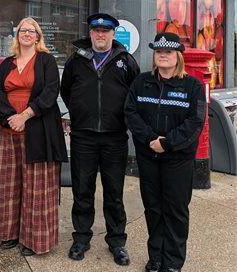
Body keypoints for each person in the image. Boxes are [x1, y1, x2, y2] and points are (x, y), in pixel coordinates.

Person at [60, 13, 140, 265]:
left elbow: (134, 94)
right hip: (83, 137)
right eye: (96, 31)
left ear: (113, 34)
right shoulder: (77, 60)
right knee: (82, 190)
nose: (101, 35)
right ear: (91, 34)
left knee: (114, 193)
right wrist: (81, 114)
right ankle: (81, 239)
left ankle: (117, 242)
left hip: (115, 138)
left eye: (106, 31)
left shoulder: (125, 61)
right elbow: (66, 90)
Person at [0, 17, 67, 256]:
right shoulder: (7, 63)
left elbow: (51, 91)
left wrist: (26, 115)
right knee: (9, 184)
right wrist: (12, 117)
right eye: (23, 30)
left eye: (32, 31)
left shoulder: (47, 61)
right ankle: (9, 234)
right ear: (17, 35)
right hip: (7, 130)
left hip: (38, 131)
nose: (27, 34)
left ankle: (33, 240)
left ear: (38, 36)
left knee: (36, 187)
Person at [125, 32, 206, 272]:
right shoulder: (141, 82)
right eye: (159, 52)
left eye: (168, 52)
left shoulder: (192, 86)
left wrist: (168, 143)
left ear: (178, 56)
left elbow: (195, 121)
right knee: (153, 208)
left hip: (178, 160)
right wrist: (151, 139)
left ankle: (172, 262)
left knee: (176, 210)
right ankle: (156, 258)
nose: (163, 55)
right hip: (149, 156)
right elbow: (131, 113)